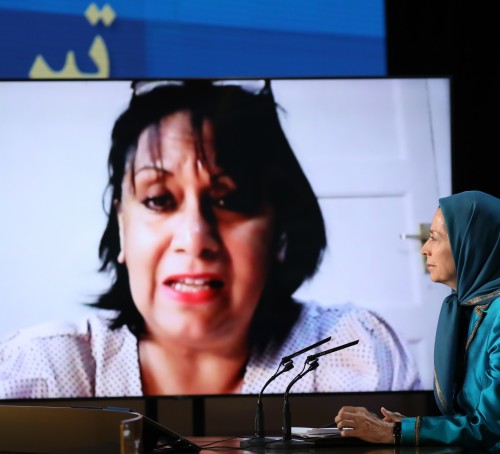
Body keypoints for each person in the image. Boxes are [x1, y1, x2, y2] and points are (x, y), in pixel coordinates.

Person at [0, 79, 421, 399]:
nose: (194, 238)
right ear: (123, 230)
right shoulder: (43, 372)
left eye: (230, 199)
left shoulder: (352, 355)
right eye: (159, 199)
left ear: (279, 231)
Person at [334, 190, 500, 453]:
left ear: (470, 243)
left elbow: (490, 427)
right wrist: (406, 425)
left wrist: (396, 432)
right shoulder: (466, 307)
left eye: (434, 238)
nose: (425, 249)